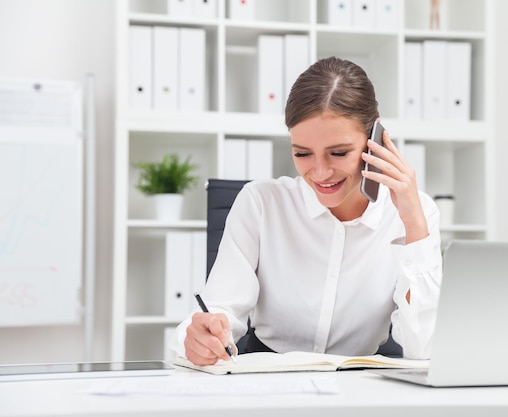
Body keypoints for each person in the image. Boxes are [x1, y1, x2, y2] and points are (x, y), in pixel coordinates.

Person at [173, 56, 442, 366]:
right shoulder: (261, 203)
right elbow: (220, 309)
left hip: (358, 387)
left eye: (338, 153)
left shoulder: (416, 215)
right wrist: (201, 337)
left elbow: (426, 349)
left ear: (375, 139)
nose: (320, 173)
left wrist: (414, 225)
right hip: (268, 379)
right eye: (302, 154)